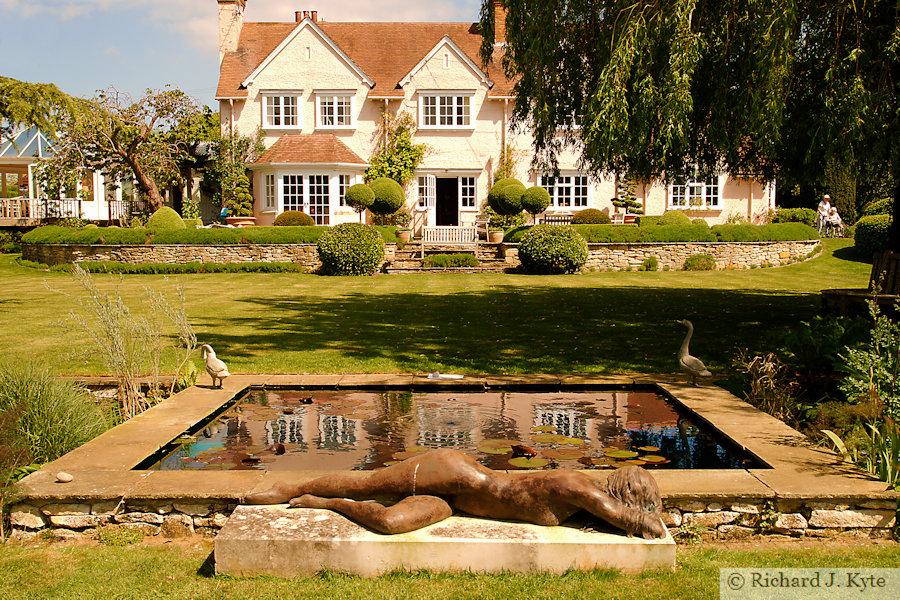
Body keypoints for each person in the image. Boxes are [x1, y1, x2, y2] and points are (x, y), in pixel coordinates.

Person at [244, 448, 667, 539]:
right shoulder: (580, 488)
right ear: (625, 492)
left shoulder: (585, 494)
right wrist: (650, 517)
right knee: (366, 483)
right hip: (452, 473)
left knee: (391, 523)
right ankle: (290, 487)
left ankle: (323, 503)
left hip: (456, 501)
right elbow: (634, 521)